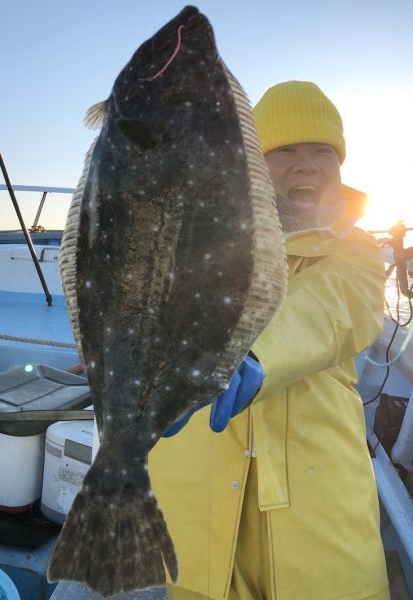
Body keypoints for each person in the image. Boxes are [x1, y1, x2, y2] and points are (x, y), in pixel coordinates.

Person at [149, 80, 389, 600]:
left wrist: (251, 356)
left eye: (322, 150)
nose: (307, 164)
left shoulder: (359, 250)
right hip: (197, 500)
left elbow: (331, 308)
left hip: (315, 504)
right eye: (285, 150)